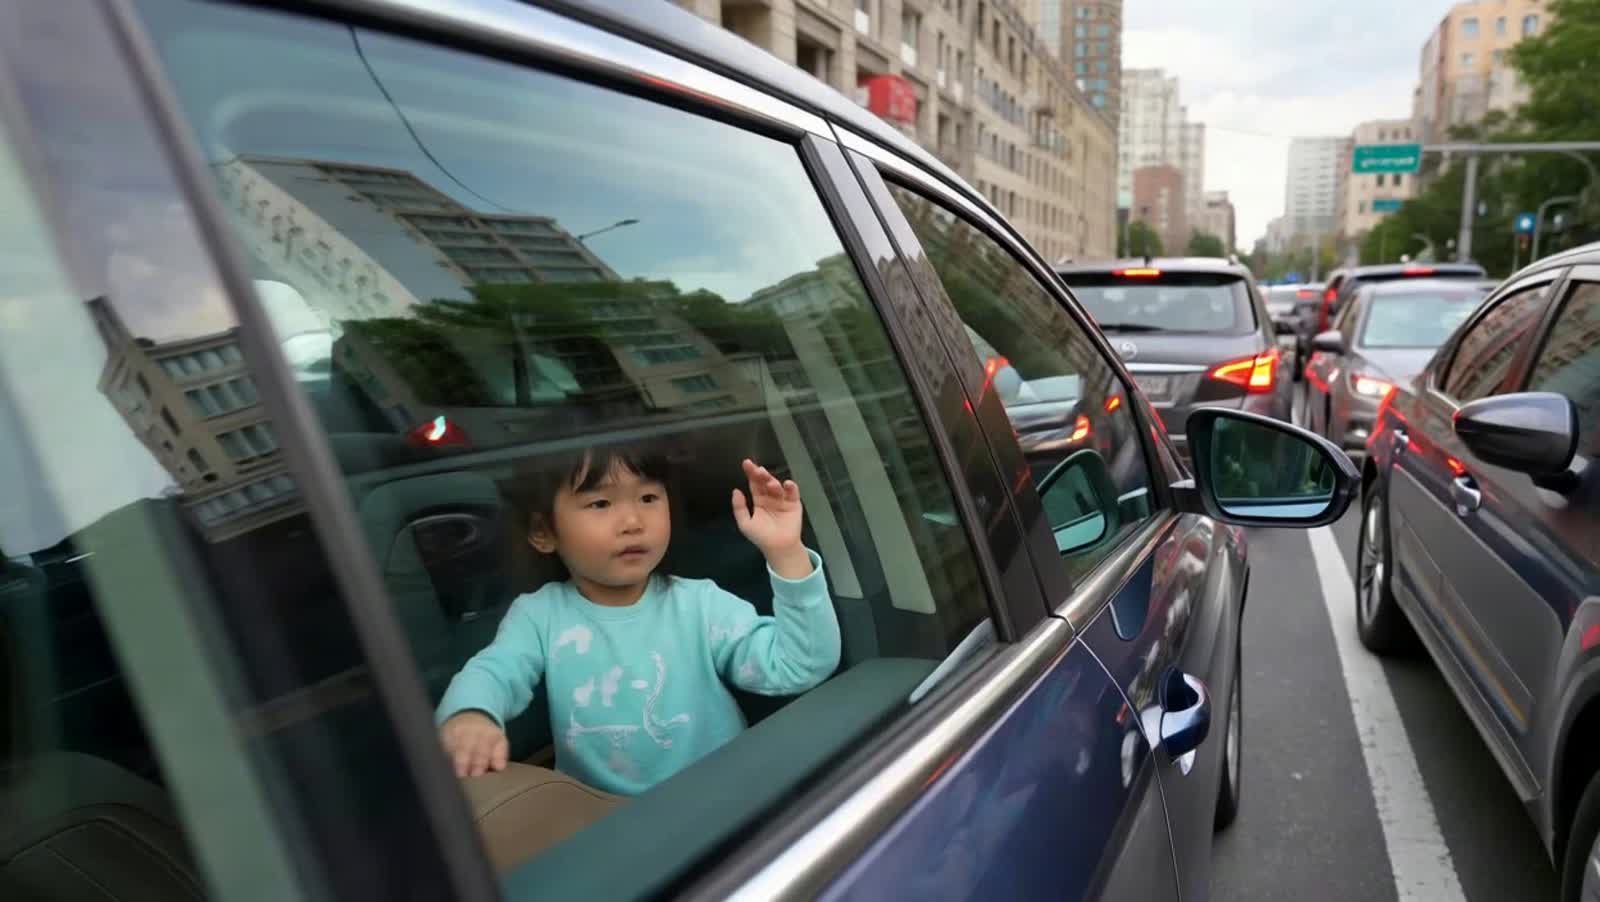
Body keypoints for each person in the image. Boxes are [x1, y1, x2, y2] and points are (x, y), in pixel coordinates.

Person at [435, 442, 841, 796]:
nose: (633, 522)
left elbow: (800, 666)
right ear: (543, 531)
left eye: (648, 498)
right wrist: (470, 713)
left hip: (727, 800)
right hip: (611, 824)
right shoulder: (539, 616)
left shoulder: (700, 604)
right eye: (600, 503)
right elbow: (495, 670)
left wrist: (785, 551)